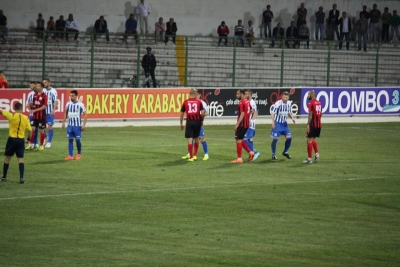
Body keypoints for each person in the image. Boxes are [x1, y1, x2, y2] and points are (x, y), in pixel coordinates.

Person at [0, 102, 32, 184]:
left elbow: (1, 111)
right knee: (20, 159)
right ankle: (21, 178)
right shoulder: (25, 118)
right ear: (21, 109)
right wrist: (28, 139)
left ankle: (4, 177)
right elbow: (30, 130)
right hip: (20, 140)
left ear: (14, 109)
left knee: (7, 158)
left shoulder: (11, 116)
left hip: (12, 140)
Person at [182, 91, 209, 161]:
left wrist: (201, 118)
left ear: (199, 95)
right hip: (195, 122)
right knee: (192, 138)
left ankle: (206, 154)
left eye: (197, 94)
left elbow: (207, 113)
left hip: (199, 122)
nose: (196, 95)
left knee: (201, 138)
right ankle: (190, 154)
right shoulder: (193, 102)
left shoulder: (202, 103)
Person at [62, 90, 88, 160]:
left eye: (73, 96)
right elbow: (66, 113)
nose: (71, 97)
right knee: (70, 140)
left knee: (77, 140)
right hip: (70, 126)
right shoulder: (68, 104)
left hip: (77, 126)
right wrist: (63, 122)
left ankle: (79, 153)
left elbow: (86, 115)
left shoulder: (80, 105)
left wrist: (83, 125)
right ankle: (70, 155)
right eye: (70, 95)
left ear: (76, 96)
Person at [270, 91, 295, 160]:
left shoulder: (289, 103)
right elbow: (272, 113)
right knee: (275, 139)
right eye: (284, 97)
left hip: (284, 124)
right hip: (277, 123)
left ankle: (285, 151)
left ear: (288, 97)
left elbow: (288, 112)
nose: (285, 98)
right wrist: (273, 122)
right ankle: (273, 154)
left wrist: (292, 118)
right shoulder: (278, 103)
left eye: (286, 97)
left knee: (289, 138)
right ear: (282, 97)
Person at [231, 89, 254, 164]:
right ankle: (250, 152)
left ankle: (240, 158)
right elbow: (251, 111)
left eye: (238, 94)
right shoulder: (247, 101)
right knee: (240, 138)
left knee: (238, 140)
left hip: (242, 124)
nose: (236, 95)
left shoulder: (241, 102)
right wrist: (248, 118)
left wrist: (237, 124)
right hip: (246, 124)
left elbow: (242, 114)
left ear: (242, 94)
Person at [28, 81, 47, 151]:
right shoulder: (35, 95)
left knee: (41, 130)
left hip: (41, 116)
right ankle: (31, 144)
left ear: (42, 87)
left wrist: (35, 110)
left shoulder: (44, 96)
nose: (37, 87)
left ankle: (41, 145)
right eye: (37, 86)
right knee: (32, 129)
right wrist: (30, 105)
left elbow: (44, 106)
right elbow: (33, 105)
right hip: (35, 116)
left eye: (38, 86)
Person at [304, 90, 322, 164]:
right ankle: (317, 154)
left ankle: (309, 159)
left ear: (311, 95)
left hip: (312, 124)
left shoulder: (311, 103)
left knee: (309, 140)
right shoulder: (319, 103)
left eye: (308, 94)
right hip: (318, 124)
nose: (307, 96)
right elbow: (321, 113)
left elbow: (310, 115)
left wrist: (308, 124)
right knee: (313, 139)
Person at [243, 89, 260, 162]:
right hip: (246, 124)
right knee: (249, 140)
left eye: (247, 94)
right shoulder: (246, 102)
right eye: (245, 94)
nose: (245, 95)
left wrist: (251, 120)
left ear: (250, 95)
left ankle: (255, 152)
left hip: (250, 125)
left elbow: (256, 113)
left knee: (243, 139)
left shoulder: (252, 102)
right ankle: (252, 154)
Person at [43, 78, 58, 148]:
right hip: (43, 111)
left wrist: (53, 109)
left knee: (49, 126)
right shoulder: (43, 90)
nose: (44, 84)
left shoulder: (53, 91)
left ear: (49, 83)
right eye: (43, 82)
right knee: (41, 127)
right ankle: (45, 138)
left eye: (45, 82)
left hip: (50, 112)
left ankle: (49, 142)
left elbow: (56, 101)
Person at [25, 82, 39, 150]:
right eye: (30, 86)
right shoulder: (30, 94)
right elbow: (27, 104)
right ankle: (32, 143)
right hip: (31, 114)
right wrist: (29, 106)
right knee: (32, 129)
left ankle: (35, 143)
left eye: (33, 85)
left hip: (38, 114)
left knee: (35, 129)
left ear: (36, 86)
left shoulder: (40, 94)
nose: (31, 87)